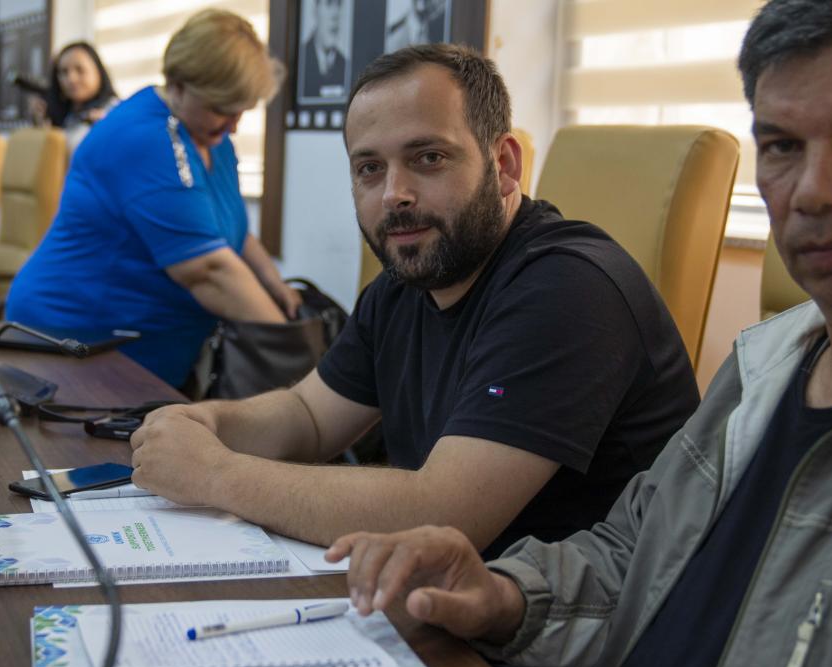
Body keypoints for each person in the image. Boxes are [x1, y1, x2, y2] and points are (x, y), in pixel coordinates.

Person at [328, 0, 832, 667]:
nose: (815, 190)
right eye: (782, 145)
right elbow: (637, 554)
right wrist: (506, 596)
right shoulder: (768, 363)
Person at [129, 45, 699, 562]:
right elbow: (308, 416)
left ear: (503, 165)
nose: (393, 194)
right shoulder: (403, 285)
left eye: (428, 157)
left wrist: (215, 473)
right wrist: (205, 422)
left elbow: (443, 512)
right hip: (443, 600)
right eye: (369, 168)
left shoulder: (567, 287)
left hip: (576, 629)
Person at [6, 10, 301, 388]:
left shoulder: (213, 138)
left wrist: (274, 285)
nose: (233, 126)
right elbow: (210, 271)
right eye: (221, 109)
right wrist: (296, 359)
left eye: (241, 110)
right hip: (75, 338)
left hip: (149, 351)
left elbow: (232, 232)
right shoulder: (143, 138)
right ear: (177, 85)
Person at [33, 42, 120, 153]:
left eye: (80, 70)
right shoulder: (66, 116)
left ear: (98, 71)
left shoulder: (113, 113)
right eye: (64, 72)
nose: (71, 79)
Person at [301, 0, 348, 100]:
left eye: (339, 5)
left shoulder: (345, 64)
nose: (335, 14)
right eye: (329, 4)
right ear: (315, 10)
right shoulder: (301, 59)